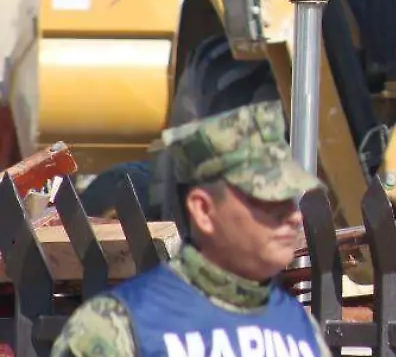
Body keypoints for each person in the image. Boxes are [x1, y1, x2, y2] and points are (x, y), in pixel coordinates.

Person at [52, 102, 327, 357]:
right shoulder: (117, 327)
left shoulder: (302, 330)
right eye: (267, 201)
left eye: (289, 200)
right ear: (204, 211)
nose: (293, 217)